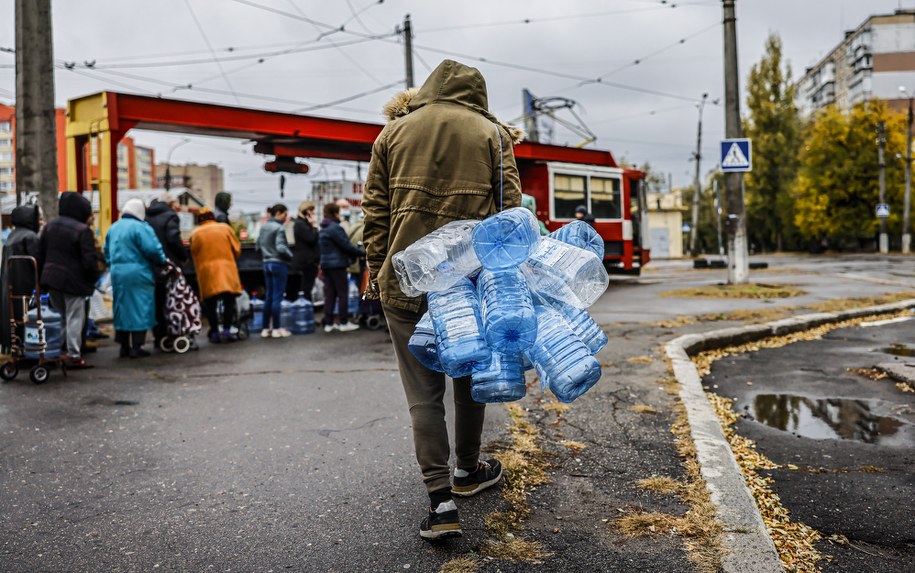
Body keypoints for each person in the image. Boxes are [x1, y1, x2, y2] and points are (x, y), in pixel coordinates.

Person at [362, 59, 522, 540]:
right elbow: (511, 215)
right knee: (469, 376)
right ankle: (468, 471)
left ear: (429, 88)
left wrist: (377, 268)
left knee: (422, 394)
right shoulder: (494, 137)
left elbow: (375, 212)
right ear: (478, 94)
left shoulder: (392, 134)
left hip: (405, 282)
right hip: (470, 286)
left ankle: (440, 502)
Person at [38, 192, 99, 369]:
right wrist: (93, 279)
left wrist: (42, 279)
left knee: (59, 317)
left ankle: (54, 351)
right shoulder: (82, 230)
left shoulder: (49, 226)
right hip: (73, 282)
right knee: (74, 318)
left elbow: (40, 253)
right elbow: (89, 262)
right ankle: (73, 355)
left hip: (51, 279)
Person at [104, 198, 167, 358]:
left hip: (117, 273)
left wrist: (114, 265)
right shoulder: (141, 227)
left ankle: (123, 346)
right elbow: (153, 249)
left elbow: (106, 252)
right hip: (138, 272)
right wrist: (162, 261)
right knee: (140, 306)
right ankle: (136, 346)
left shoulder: (114, 227)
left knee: (121, 307)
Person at [189, 209, 243, 343]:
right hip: (226, 270)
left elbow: (194, 253)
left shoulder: (195, 233)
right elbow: (237, 249)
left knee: (210, 303)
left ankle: (214, 332)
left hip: (207, 272)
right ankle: (227, 329)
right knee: (229, 301)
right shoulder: (225, 229)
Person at [146, 192, 190, 349]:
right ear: (171, 204)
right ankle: (172, 333)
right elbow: (173, 239)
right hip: (168, 265)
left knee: (157, 302)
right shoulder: (171, 216)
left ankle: (159, 336)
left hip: (152, 265)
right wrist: (183, 256)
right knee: (171, 300)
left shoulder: (148, 216)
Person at [318, 202, 364, 333]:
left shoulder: (324, 227)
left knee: (330, 294)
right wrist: (362, 253)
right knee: (342, 293)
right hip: (338, 265)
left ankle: (329, 323)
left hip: (326, 264)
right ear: (335, 213)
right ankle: (343, 322)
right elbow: (346, 245)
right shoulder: (335, 228)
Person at [1, 205, 40, 353]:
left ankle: (13, 346)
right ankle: (29, 348)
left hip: (11, 285)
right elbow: (37, 260)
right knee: (27, 317)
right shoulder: (30, 236)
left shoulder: (12, 236)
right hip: (25, 285)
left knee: (13, 317)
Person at [256, 203, 293, 338]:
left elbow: (257, 245)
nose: (285, 217)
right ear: (278, 213)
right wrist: (291, 255)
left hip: (266, 263)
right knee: (277, 297)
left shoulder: (263, 226)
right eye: (284, 214)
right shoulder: (279, 228)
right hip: (278, 264)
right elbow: (281, 248)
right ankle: (277, 328)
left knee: (269, 297)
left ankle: (265, 328)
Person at [291, 200, 320, 301]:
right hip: (306, 262)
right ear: (305, 211)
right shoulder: (300, 224)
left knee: (308, 288)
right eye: (311, 210)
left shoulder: (304, 223)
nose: (313, 213)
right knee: (306, 288)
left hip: (309, 261)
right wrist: (315, 227)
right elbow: (311, 239)